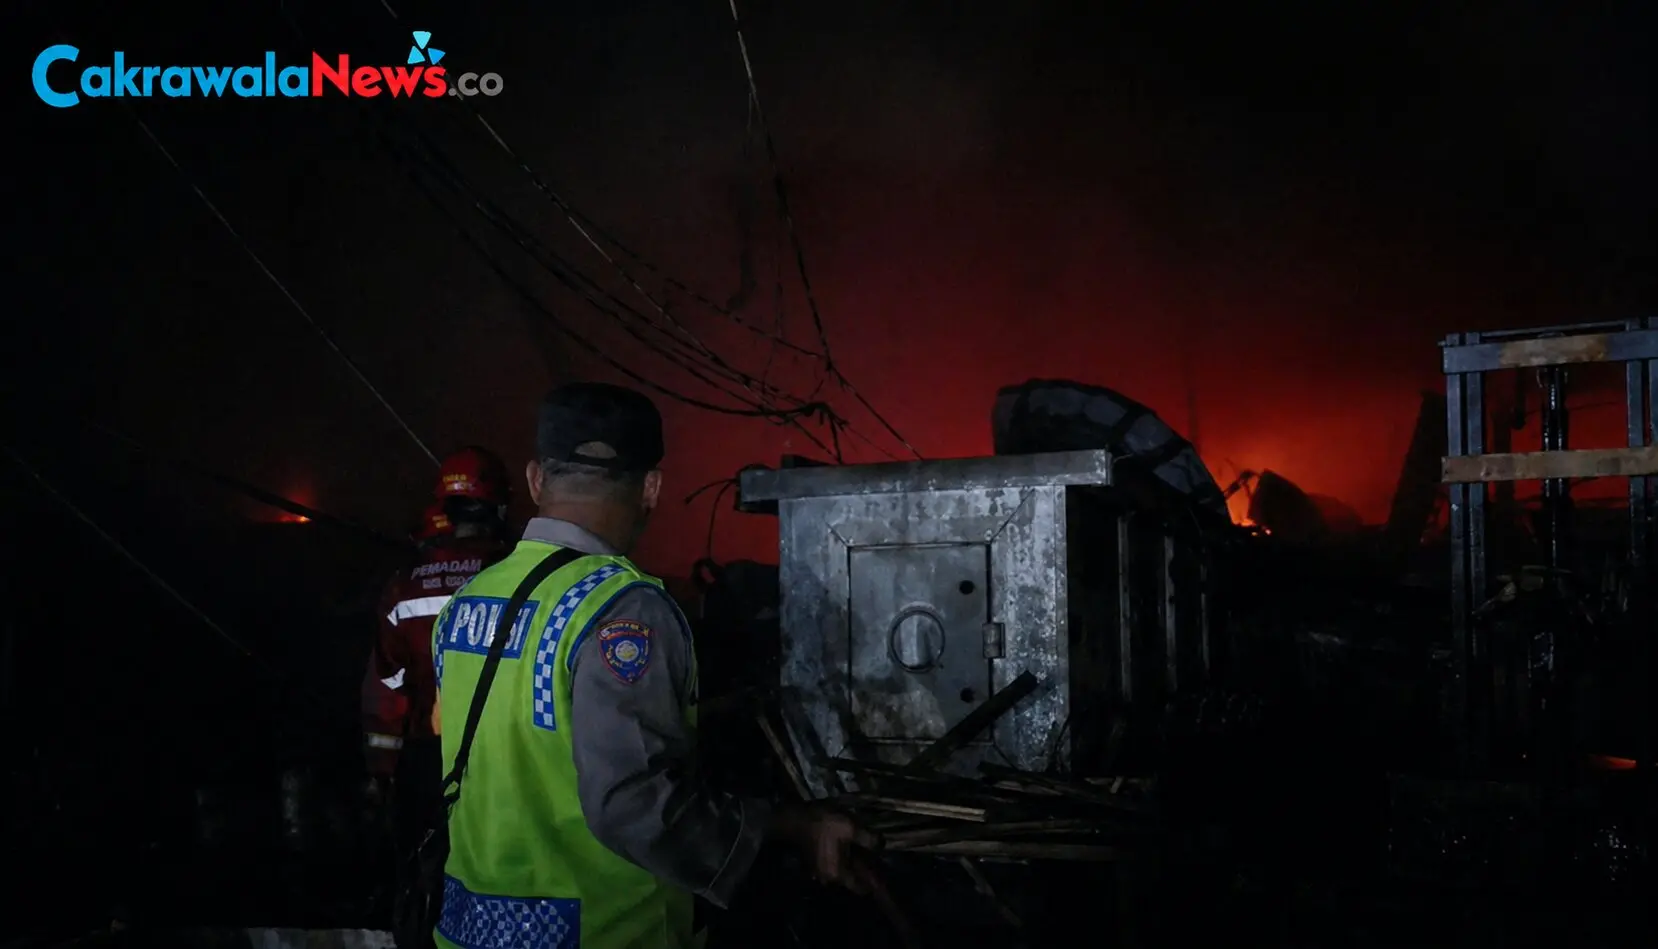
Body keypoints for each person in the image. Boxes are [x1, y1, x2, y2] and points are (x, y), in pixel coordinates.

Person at [429, 383, 876, 949]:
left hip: (469, 931)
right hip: (601, 934)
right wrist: (791, 827)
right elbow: (633, 803)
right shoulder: (622, 607)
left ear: (537, 478)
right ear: (652, 487)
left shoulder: (468, 601)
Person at [361, 448, 514, 865]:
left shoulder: (405, 586)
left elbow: (386, 688)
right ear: (498, 507)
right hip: (507, 760)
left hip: (427, 759)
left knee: (427, 875)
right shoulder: (521, 575)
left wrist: (382, 768)